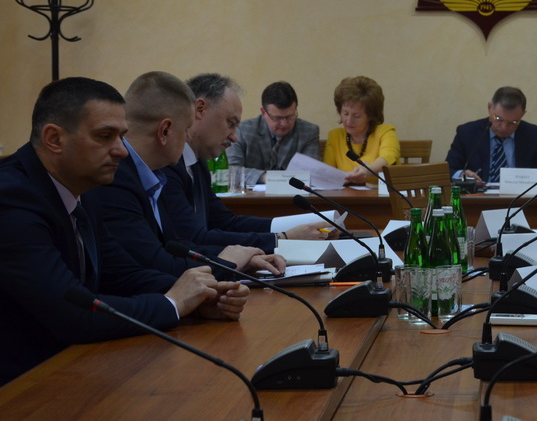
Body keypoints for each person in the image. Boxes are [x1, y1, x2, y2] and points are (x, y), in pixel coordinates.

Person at [0, 77, 249, 386]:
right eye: (105, 136)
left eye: (122, 136)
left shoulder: (84, 187)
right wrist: (173, 304)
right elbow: (74, 314)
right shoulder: (11, 200)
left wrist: (201, 297)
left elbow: (121, 273)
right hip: (20, 386)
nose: (121, 150)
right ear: (54, 138)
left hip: (71, 369)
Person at [92, 72, 286, 278]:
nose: (187, 138)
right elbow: (154, 262)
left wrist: (240, 260)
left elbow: (175, 246)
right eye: (186, 129)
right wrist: (227, 264)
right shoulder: (116, 179)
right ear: (165, 131)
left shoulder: (154, 175)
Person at [161, 73, 326, 251]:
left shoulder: (198, 163)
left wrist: (298, 227)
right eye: (230, 124)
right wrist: (282, 238)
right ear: (200, 109)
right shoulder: (166, 165)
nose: (234, 137)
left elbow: (225, 222)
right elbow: (195, 238)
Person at [445, 86, 537, 185]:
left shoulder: (534, 135)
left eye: (513, 122)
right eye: (499, 119)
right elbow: (448, 170)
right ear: (489, 108)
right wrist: (462, 175)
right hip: (478, 196)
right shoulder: (467, 133)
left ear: (523, 114)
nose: (504, 127)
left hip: (521, 196)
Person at [226, 81, 319, 186]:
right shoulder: (243, 130)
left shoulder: (308, 131)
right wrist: (264, 177)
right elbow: (230, 171)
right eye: (277, 118)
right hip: (252, 195)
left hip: (294, 194)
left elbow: (313, 174)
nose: (284, 124)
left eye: (290, 116)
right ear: (263, 112)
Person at [323, 76, 400, 185]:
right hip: (345, 194)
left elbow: (388, 159)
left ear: (370, 116)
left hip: (381, 195)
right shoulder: (335, 136)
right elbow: (327, 172)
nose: (349, 121)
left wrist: (367, 171)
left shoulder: (385, 132)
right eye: (345, 113)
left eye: (357, 116)